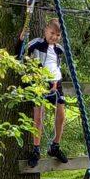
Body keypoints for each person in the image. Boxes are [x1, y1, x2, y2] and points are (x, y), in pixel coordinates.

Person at [23, 19, 69, 167]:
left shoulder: (59, 49)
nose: (54, 37)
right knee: (38, 116)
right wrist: (22, 38)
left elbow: (56, 66)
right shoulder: (36, 44)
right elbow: (21, 53)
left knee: (61, 116)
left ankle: (55, 146)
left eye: (57, 34)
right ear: (45, 31)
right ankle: (36, 149)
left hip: (56, 83)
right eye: (52, 33)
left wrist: (55, 83)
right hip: (40, 83)